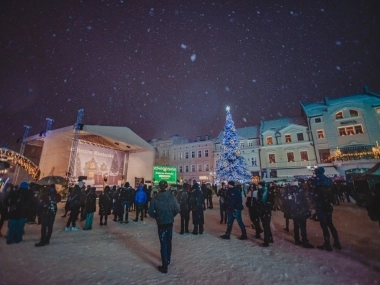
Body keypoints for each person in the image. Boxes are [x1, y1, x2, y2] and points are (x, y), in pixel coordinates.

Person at [149, 180, 180, 274]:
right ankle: (168, 260)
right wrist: (172, 215)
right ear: (166, 187)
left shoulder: (155, 198)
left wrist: (157, 217)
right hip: (169, 222)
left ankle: (164, 265)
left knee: (163, 243)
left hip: (161, 223)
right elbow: (177, 209)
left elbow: (150, 211)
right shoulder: (172, 197)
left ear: (159, 187)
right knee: (168, 241)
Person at [311, 167, 342, 251]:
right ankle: (337, 242)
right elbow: (334, 192)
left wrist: (314, 204)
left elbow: (314, 194)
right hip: (328, 205)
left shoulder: (316, 181)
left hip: (320, 206)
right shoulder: (328, 180)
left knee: (324, 226)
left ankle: (327, 244)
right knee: (330, 224)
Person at [257, 181, 274, 247]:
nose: (257, 186)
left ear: (260, 185)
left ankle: (266, 241)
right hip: (267, 211)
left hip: (264, 211)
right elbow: (271, 201)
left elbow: (260, 202)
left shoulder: (261, 191)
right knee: (267, 225)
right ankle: (270, 238)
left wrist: (262, 209)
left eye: (258, 185)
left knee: (265, 226)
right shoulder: (268, 191)